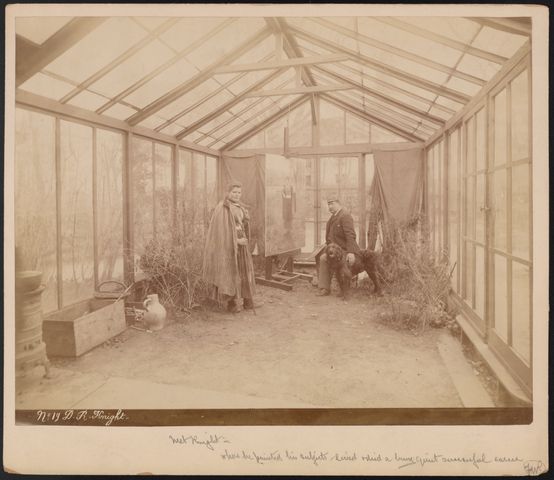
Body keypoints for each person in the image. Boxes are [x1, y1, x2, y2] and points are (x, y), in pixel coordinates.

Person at [202, 181, 261, 313]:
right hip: (229, 246)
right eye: (234, 192)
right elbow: (221, 232)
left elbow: (243, 224)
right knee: (231, 272)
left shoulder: (239, 206)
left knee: (245, 271)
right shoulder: (222, 208)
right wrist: (236, 240)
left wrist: (245, 218)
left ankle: (247, 300)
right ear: (228, 193)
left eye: (239, 192)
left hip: (242, 243)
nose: (236, 195)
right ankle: (232, 303)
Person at [316, 196, 361, 296]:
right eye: (328, 204)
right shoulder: (334, 217)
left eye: (332, 204)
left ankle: (327, 288)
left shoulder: (345, 216)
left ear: (339, 203)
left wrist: (351, 252)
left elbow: (350, 235)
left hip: (343, 250)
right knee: (319, 255)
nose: (330, 206)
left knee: (324, 258)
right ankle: (324, 284)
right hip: (333, 249)